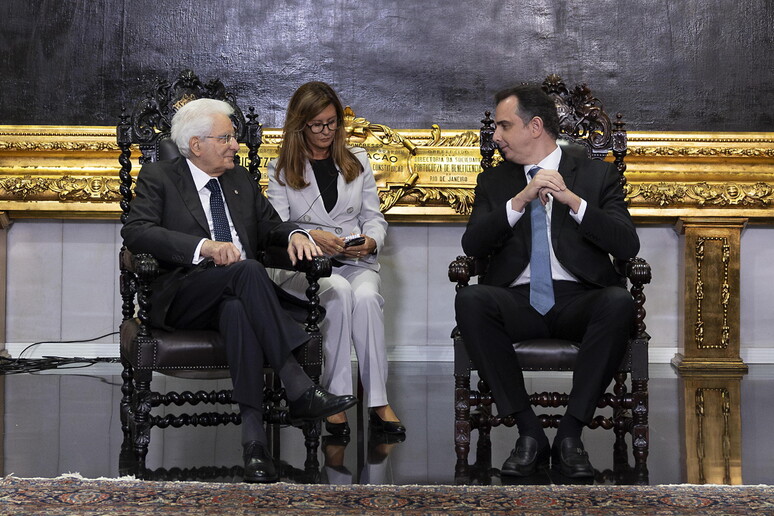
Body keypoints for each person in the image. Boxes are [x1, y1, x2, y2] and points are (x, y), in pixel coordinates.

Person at [121, 98, 357, 484]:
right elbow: (137, 231)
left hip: (241, 296)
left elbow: (270, 227)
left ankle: (254, 446)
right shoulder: (159, 176)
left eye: (233, 137)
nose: (235, 145)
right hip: (184, 295)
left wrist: (298, 234)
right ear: (196, 144)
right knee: (247, 270)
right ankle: (297, 384)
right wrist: (205, 248)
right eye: (226, 137)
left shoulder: (239, 181)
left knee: (237, 309)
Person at [454, 84, 640, 478]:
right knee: (471, 300)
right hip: (517, 300)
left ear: (534, 126)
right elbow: (473, 243)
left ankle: (570, 434)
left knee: (618, 302)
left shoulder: (597, 174)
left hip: (579, 299)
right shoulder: (494, 182)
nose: (496, 137)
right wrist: (520, 200)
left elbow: (626, 244)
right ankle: (529, 431)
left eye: (504, 126)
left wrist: (572, 200)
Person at [267, 81, 404, 438]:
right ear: (300, 125)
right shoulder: (281, 168)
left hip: (355, 260)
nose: (326, 131)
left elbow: (374, 216)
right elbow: (277, 228)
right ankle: (338, 398)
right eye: (317, 125)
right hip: (306, 268)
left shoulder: (356, 160)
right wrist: (314, 239)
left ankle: (378, 401)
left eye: (332, 123)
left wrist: (372, 241)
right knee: (340, 292)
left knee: (367, 297)